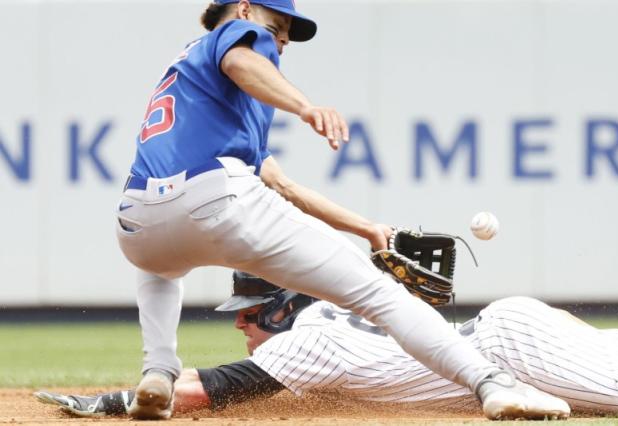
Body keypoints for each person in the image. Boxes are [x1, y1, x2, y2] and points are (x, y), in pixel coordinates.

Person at [114, 0, 568, 420]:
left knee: (159, 270)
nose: (281, 43)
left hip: (137, 221)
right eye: (276, 29)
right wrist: (304, 106)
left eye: (285, 38)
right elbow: (240, 58)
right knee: (380, 295)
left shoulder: (194, 81)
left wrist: (366, 227)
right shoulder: (232, 39)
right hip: (215, 197)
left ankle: (158, 372)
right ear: (245, 9)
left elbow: (282, 184)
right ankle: (491, 382)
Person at [35, 273, 618, 418]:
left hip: (514, 347)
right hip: (507, 332)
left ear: (279, 306)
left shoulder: (308, 340)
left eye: (248, 315)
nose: (241, 327)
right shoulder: (333, 307)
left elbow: (207, 389)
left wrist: (111, 403)